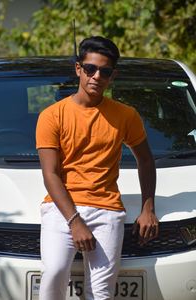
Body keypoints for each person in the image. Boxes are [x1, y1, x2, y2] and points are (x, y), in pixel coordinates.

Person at [36, 36, 159, 300]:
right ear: (78, 68)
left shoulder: (126, 115)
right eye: (90, 69)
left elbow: (146, 159)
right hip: (62, 209)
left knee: (101, 292)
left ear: (112, 75)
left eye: (104, 71)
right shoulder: (51, 115)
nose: (96, 76)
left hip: (108, 210)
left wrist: (149, 208)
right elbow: (50, 175)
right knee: (55, 274)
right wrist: (75, 222)